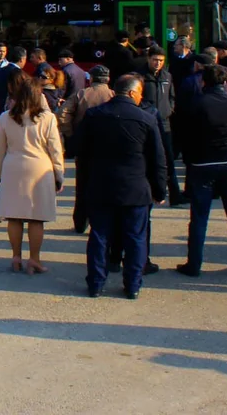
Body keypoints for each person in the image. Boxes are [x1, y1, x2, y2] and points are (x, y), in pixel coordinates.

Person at [76, 74, 168, 299]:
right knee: (135, 238)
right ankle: (133, 284)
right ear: (133, 93)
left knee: (99, 237)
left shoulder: (94, 115)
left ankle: (96, 283)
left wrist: (84, 187)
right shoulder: (146, 119)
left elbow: (81, 152)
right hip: (135, 188)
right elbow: (158, 159)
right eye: (140, 93)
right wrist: (159, 190)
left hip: (101, 185)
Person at [177, 64, 227, 278]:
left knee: (199, 217)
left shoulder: (195, 104)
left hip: (202, 163)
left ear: (203, 81)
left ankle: (194, 264)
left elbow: (185, 130)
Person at [0, 70, 65, 275]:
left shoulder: (6, 117)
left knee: (14, 216)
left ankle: (16, 256)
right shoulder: (48, 118)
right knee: (36, 218)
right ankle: (34, 259)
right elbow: (55, 149)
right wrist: (59, 174)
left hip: (13, 166)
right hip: (39, 168)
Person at [60, 65, 115, 217]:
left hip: (84, 145)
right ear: (108, 79)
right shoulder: (113, 95)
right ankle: (100, 219)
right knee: (105, 184)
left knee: (83, 184)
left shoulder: (81, 94)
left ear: (91, 79)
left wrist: (71, 135)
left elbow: (63, 115)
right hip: (107, 146)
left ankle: (80, 219)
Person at [139, 47, 185, 207]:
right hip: (146, 123)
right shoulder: (140, 76)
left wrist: (169, 109)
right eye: (154, 60)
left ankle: (175, 194)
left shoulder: (167, 76)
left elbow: (172, 96)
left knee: (169, 160)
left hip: (165, 124)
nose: (157, 63)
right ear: (148, 59)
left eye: (160, 60)